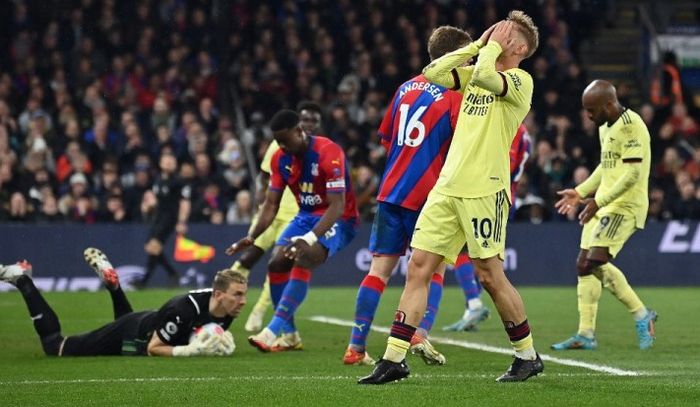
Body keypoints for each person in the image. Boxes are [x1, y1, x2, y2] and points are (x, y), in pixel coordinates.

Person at [359, 12, 542, 385]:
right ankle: (394, 358)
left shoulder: (520, 80)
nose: (495, 37)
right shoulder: (475, 71)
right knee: (419, 266)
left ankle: (527, 356)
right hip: (446, 187)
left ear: (520, 48)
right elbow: (434, 74)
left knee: (490, 275)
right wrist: (477, 45)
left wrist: (488, 50)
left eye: (505, 35)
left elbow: (490, 77)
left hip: (484, 189)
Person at [343, 25, 471, 367]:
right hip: (429, 195)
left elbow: (387, 139)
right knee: (434, 269)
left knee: (379, 270)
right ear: (454, 57)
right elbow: (462, 150)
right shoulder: (455, 97)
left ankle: (355, 347)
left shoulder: (405, 88)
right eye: (468, 56)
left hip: (390, 191)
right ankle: (418, 333)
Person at [226, 109, 358, 352]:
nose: (281, 147)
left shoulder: (329, 153)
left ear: (299, 132)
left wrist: (308, 239)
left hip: (339, 219)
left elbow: (337, 206)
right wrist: (252, 236)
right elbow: (271, 204)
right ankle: (290, 335)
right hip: (305, 216)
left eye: (285, 141)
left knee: (303, 257)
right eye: (277, 142)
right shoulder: (280, 159)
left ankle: (271, 331)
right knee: (276, 264)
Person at [551, 79, 657, 351]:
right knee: (583, 266)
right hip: (604, 203)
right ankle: (586, 334)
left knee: (595, 260)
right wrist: (579, 191)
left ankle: (641, 314)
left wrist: (598, 201)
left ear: (609, 104)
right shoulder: (606, 126)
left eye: (592, 110)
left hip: (625, 205)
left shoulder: (631, 126)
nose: (588, 116)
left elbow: (632, 174)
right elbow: (606, 167)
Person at [0, 248, 245, 357]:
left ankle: (114, 287)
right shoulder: (183, 309)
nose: (243, 301)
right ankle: (22, 280)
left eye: (243, 294)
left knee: (128, 321)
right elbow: (153, 348)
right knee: (56, 347)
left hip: (145, 321)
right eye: (238, 294)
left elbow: (197, 333)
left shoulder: (226, 309)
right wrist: (188, 351)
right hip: (132, 334)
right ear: (218, 294)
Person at [234, 102, 322, 333]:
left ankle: (258, 312)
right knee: (246, 258)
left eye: (314, 120)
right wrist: (258, 203)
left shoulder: (320, 151)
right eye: (306, 120)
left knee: (277, 265)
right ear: (297, 123)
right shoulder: (278, 145)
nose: (309, 124)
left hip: (296, 219)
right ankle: (221, 302)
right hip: (270, 213)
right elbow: (263, 178)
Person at [444, 124, 532, 332]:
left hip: (490, 198)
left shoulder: (513, 129)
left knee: (465, 251)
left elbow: (504, 166)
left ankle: (474, 303)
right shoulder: (522, 132)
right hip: (498, 197)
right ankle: (471, 306)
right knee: (479, 257)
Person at [137, 152, 191, 288]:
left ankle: (144, 281)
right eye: (166, 161)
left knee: (153, 246)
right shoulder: (157, 180)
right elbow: (154, 198)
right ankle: (172, 274)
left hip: (170, 218)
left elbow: (184, 203)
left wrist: (181, 221)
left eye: (171, 161)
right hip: (158, 217)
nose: (168, 163)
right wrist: (148, 205)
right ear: (161, 163)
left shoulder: (178, 181)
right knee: (151, 247)